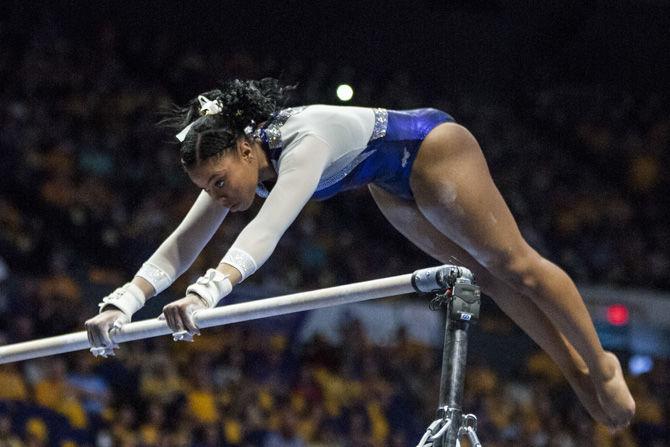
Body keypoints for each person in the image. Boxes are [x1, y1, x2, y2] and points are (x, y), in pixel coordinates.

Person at [84, 78, 635, 429]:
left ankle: (601, 361)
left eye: (220, 180)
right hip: (385, 184)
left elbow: (267, 231)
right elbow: (182, 242)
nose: (217, 195)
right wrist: (122, 303)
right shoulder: (238, 164)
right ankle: (573, 366)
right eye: (207, 186)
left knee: (512, 263)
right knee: (484, 278)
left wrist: (206, 291)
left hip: (432, 150)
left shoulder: (304, 140)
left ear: (247, 150)